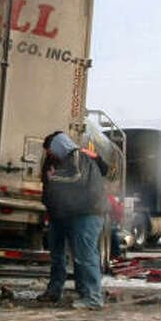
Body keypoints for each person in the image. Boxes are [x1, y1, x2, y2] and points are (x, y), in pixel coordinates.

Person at [37, 131, 108, 310]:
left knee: (85, 255)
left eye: (50, 150)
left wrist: (54, 178)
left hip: (85, 212)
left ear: (57, 146)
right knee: (59, 255)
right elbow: (48, 186)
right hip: (61, 213)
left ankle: (92, 297)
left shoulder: (78, 156)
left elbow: (77, 178)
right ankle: (56, 291)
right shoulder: (54, 161)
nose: (49, 154)